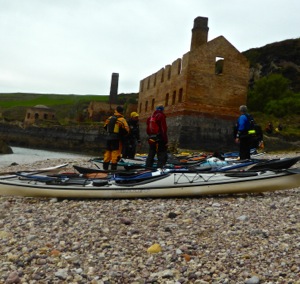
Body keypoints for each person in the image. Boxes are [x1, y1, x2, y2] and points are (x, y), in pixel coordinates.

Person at [103, 106, 129, 170]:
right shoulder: (122, 120)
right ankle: (113, 168)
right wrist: (122, 135)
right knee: (115, 153)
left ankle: (105, 167)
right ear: (122, 111)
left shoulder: (109, 118)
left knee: (108, 152)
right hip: (116, 139)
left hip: (109, 137)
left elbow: (105, 126)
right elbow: (127, 130)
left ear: (116, 110)